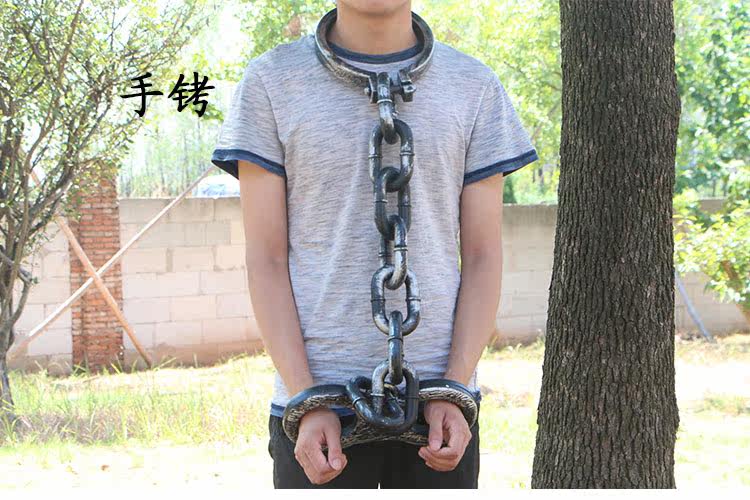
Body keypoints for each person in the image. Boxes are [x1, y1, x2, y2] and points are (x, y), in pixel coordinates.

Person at [210, 0, 538, 489]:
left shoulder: (475, 87)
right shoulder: (270, 83)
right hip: (318, 411)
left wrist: (454, 385)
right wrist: (306, 398)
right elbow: (265, 258)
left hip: (440, 409)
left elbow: (484, 256)